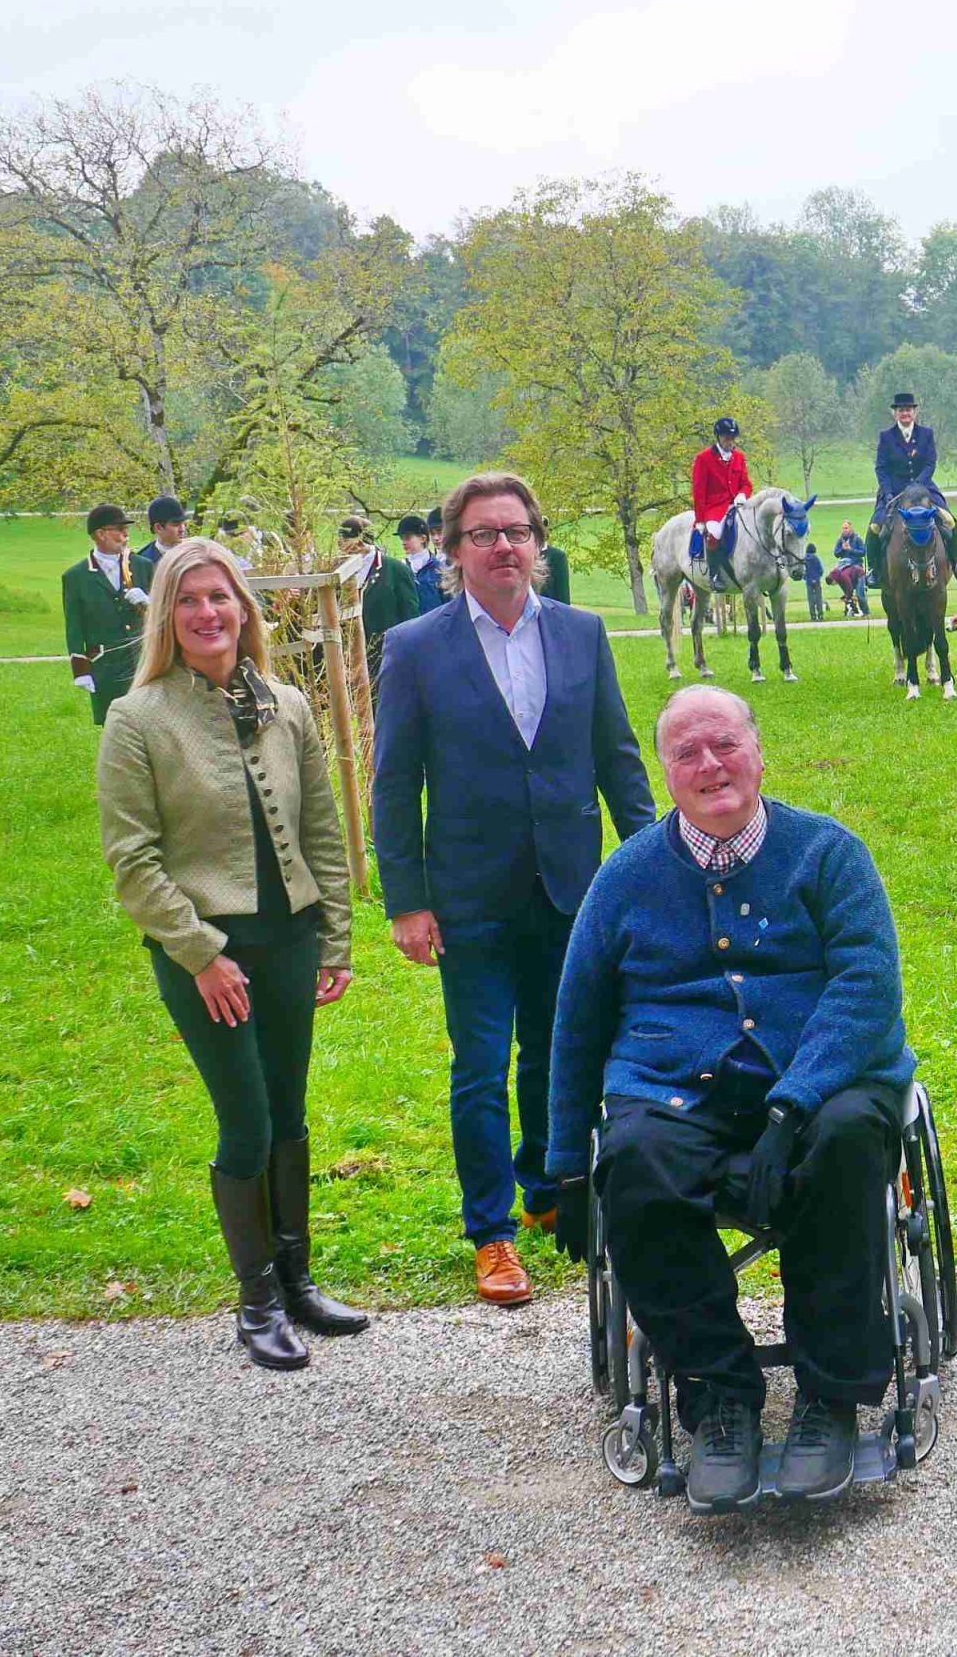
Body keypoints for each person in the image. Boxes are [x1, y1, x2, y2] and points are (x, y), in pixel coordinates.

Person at [548, 685, 917, 1512]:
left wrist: (793, 1103)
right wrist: (568, 1164)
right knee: (636, 1162)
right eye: (687, 753)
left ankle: (829, 1398)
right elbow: (577, 1023)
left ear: (758, 753)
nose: (710, 765)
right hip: (674, 1089)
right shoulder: (625, 877)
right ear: (665, 773)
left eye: (725, 745)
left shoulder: (828, 854)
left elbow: (866, 987)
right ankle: (719, 1399)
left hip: (822, 1080)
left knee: (850, 1141)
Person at [372, 471, 657, 1306]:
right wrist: (407, 901)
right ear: (453, 551)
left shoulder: (580, 632)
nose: (503, 547)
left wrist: (651, 868)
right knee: (480, 1064)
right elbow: (395, 784)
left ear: (538, 544)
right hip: (469, 896)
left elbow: (617, 758)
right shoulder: (415, 647)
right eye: (484, 534)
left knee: (557, 1050)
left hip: (569, 887)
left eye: (517, 532)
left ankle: (545, 1190)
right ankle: (491, 1232)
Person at [96, 538, 362, 1370]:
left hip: (289, 941)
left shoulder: (288, 705)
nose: (207, 613)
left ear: (244, 609)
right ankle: (256, 1301)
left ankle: (297, 1280)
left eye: (220, 597)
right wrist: (201, 952)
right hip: (206, 955)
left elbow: (322, 831)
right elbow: (132, 861)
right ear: (165, 617)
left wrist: (334, 940)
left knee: (289, 1111)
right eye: (188, 600)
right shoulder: (137, 719)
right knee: (245, 1120)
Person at [62, 504, 154, 724]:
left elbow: (165, 615)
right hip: (106, 665)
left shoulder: (143, 566)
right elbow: (74, 626)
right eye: (119, 529)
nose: (125, 534)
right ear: (101, 534)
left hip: (142, 661)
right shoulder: (76, 577)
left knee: (149, 723)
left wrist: (150, 603)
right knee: (115, 726)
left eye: (126, 529)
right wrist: (80, 670)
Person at [871, 392, 957, 583]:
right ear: (895, 414)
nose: (905, 413)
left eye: (908, 410)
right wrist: (887, 492)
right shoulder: (886, 437)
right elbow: (881, 468)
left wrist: (918, 484)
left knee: (950, 521)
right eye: (901, 410)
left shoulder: (926, 434)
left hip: (924, 488)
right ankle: (875, 570)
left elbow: (930, 463)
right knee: (875, 527)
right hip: (894, 491)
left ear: (914, 412)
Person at [353, 516, 424, 684]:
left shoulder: (395, 569)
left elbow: (410, 615)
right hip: (353, 658)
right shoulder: (340, 570)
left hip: (386, 655)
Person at [689, 418, 754, 594]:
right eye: (726, 437)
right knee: (715, 533)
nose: (730, 441)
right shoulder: (704, 458)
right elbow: (699, 491)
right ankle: (714, 574)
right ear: (718, 437)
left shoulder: (739, 457)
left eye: (732, 438)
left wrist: (742, 494)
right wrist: (700, 519)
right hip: (714, 509)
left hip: (737, 506)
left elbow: (746, 483)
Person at [398, 514, 445, 613]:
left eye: (408, 538)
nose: (403, 542)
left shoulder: (440, 569)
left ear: (423, 538)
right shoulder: (400, 569)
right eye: (402, 538)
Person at [135, 496, 188, 569]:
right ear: (158, 528)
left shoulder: (195, 554)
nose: (182, 529)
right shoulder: (142, 563)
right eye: (176, 525)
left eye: (184, 524)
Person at [799, 539, 826, 620]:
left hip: (809, 581)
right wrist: (818, 577)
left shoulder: (804, 559)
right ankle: (820, 615)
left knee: (811, 599)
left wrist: (805, 578)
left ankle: (813, 616)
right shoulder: (816, 558)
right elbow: (821, 570)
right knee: (818, 598)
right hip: (817, 580)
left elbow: (803, 571)